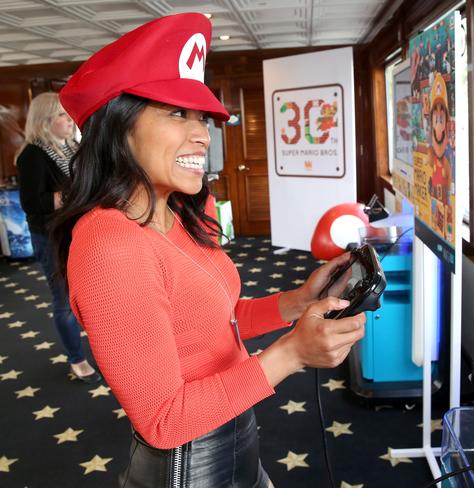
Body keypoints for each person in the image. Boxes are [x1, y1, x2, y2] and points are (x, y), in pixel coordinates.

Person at [51, 13, 365, 487]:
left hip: (235, 438)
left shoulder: (176, 215)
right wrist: (291, 354)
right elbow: (163, 419)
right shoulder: (109, 247)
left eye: (201, 117)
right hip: (188, 467)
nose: (202, 133)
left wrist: (296, 302)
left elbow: (218, 319)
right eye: (178, 113)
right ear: (118, 125)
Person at [15, 92, 101, 384]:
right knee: (64, 301)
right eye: (63, 115)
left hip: (81, 231)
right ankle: (77, 359)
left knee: (90, 298)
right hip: (52, 237)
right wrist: (77, 193)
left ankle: (99, 351)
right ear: (45, 120)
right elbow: (32, 202)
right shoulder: (32, 155)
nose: (69, 120)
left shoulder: (73, 146)